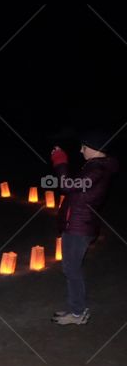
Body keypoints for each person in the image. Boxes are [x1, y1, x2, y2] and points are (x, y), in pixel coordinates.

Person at [50, 131, 118, 325]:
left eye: (84, 147)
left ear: (95, 149)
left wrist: (60, 160)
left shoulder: (97, 169)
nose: (81, 151)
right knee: (72, 268)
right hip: (79, 224)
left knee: (71, 269)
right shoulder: (95, 167)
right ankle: (76, 309)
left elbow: (67, 185)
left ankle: (77, 313)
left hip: (79, 227)